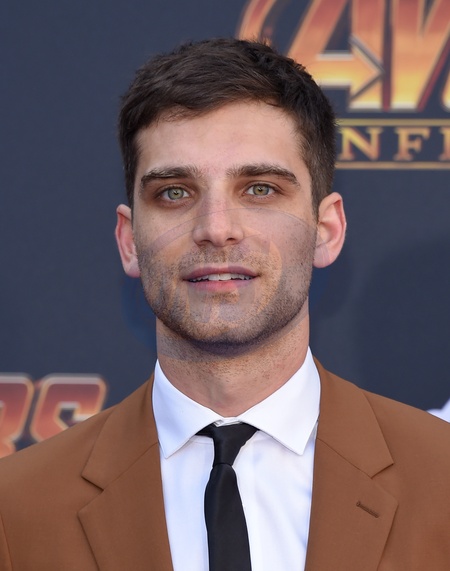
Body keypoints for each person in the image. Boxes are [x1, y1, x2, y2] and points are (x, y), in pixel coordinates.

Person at [0, 38, 450, 571]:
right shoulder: (18, 508)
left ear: (327, 230)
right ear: (128, 240)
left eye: (259, 189)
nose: (216, 229)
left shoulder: (440, 477)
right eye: (174, 192)